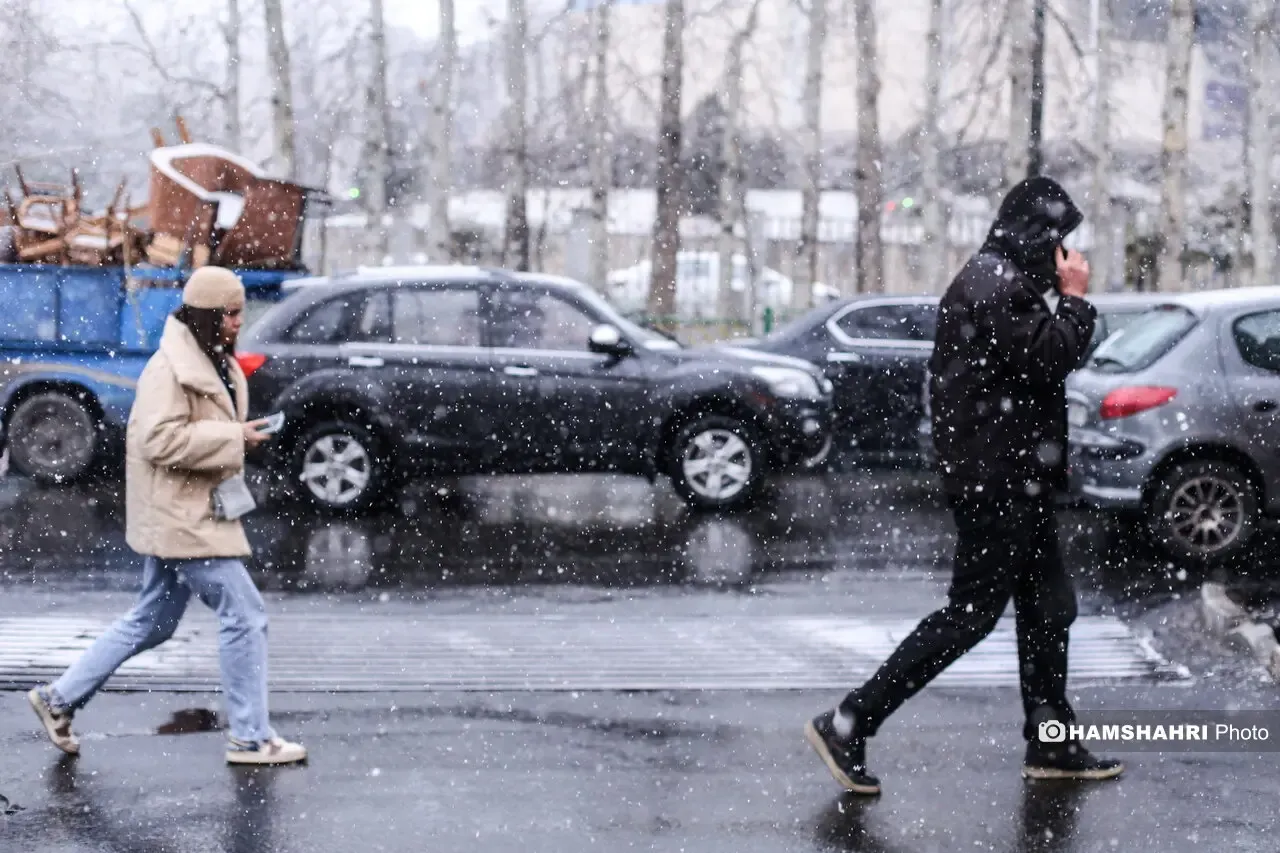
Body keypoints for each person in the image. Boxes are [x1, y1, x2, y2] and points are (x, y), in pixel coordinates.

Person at [805, 177, 1123, 793]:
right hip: (1000, 484)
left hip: (1013, 480)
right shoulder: (999, 286)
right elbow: (1050, 358)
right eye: (1060, 240)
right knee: (970, 617)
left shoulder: (999, 280)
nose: (1067, 254)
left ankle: (1051, 742)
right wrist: (1077, 299)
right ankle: (849, 722)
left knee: (1049, 608)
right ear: (1036, 235)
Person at [28, 266, 307, 766]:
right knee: (245, 615)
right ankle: (249, 738)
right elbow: (157, 440)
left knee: (152, 621)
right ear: (207, 314)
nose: (238, 322)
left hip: (188, 509)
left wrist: (238, 435)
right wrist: (233, 437)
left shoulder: (210, 357)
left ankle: (58, 698)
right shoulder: (170, 368)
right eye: (230, 313)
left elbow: (193, 430)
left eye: (240, 312)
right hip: (182, 518)